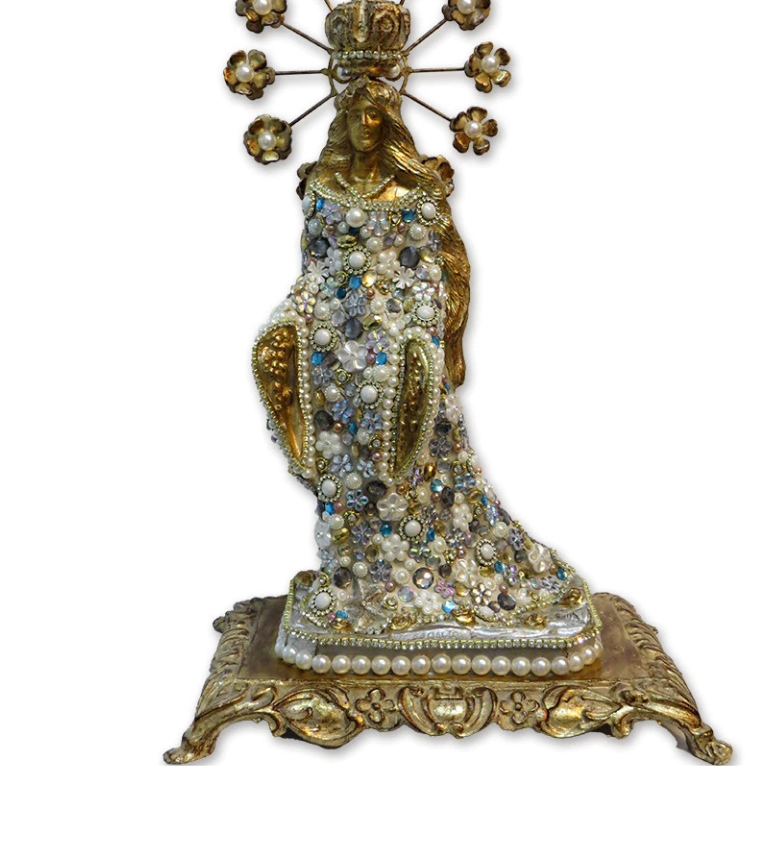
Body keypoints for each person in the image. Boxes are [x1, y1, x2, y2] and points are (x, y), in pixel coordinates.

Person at [254, 76, 600, 677]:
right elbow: (314, 268)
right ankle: (353, 572)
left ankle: (411, 573)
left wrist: (424, 335)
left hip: (398, 342)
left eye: (377, 115)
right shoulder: (323, 189)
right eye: (356, 114)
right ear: (341, 119)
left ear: (391, 123)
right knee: (330, 444)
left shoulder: (415, 191)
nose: (366, 125)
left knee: (403, 439)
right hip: (330, 346)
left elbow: (437, 273)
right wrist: (292, 322)